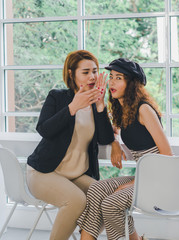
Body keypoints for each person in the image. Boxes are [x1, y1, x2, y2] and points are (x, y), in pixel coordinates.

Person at [26, 50, 123, 240]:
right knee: (76, 201)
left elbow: (104, 138)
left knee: (107, 198)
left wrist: (101, 106)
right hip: (44, 173)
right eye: (85, 72)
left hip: (75, 176)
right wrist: (73, 107)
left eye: (95, 71)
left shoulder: (96, 104)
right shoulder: (57, 97)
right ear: (72, 74)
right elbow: (44, 129)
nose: (92, 77)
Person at [77, 58, 173, 240]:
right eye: (111, 77)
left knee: (111, 203)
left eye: (118, 78)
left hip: (160, 180)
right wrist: (100, 106)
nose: (111, 82)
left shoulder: (144, 110)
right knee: (97, 189)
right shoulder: (124, 111)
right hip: (146, 178)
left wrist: (135, 183)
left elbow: (167, 154)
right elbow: (109, 132)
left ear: (131, 84)